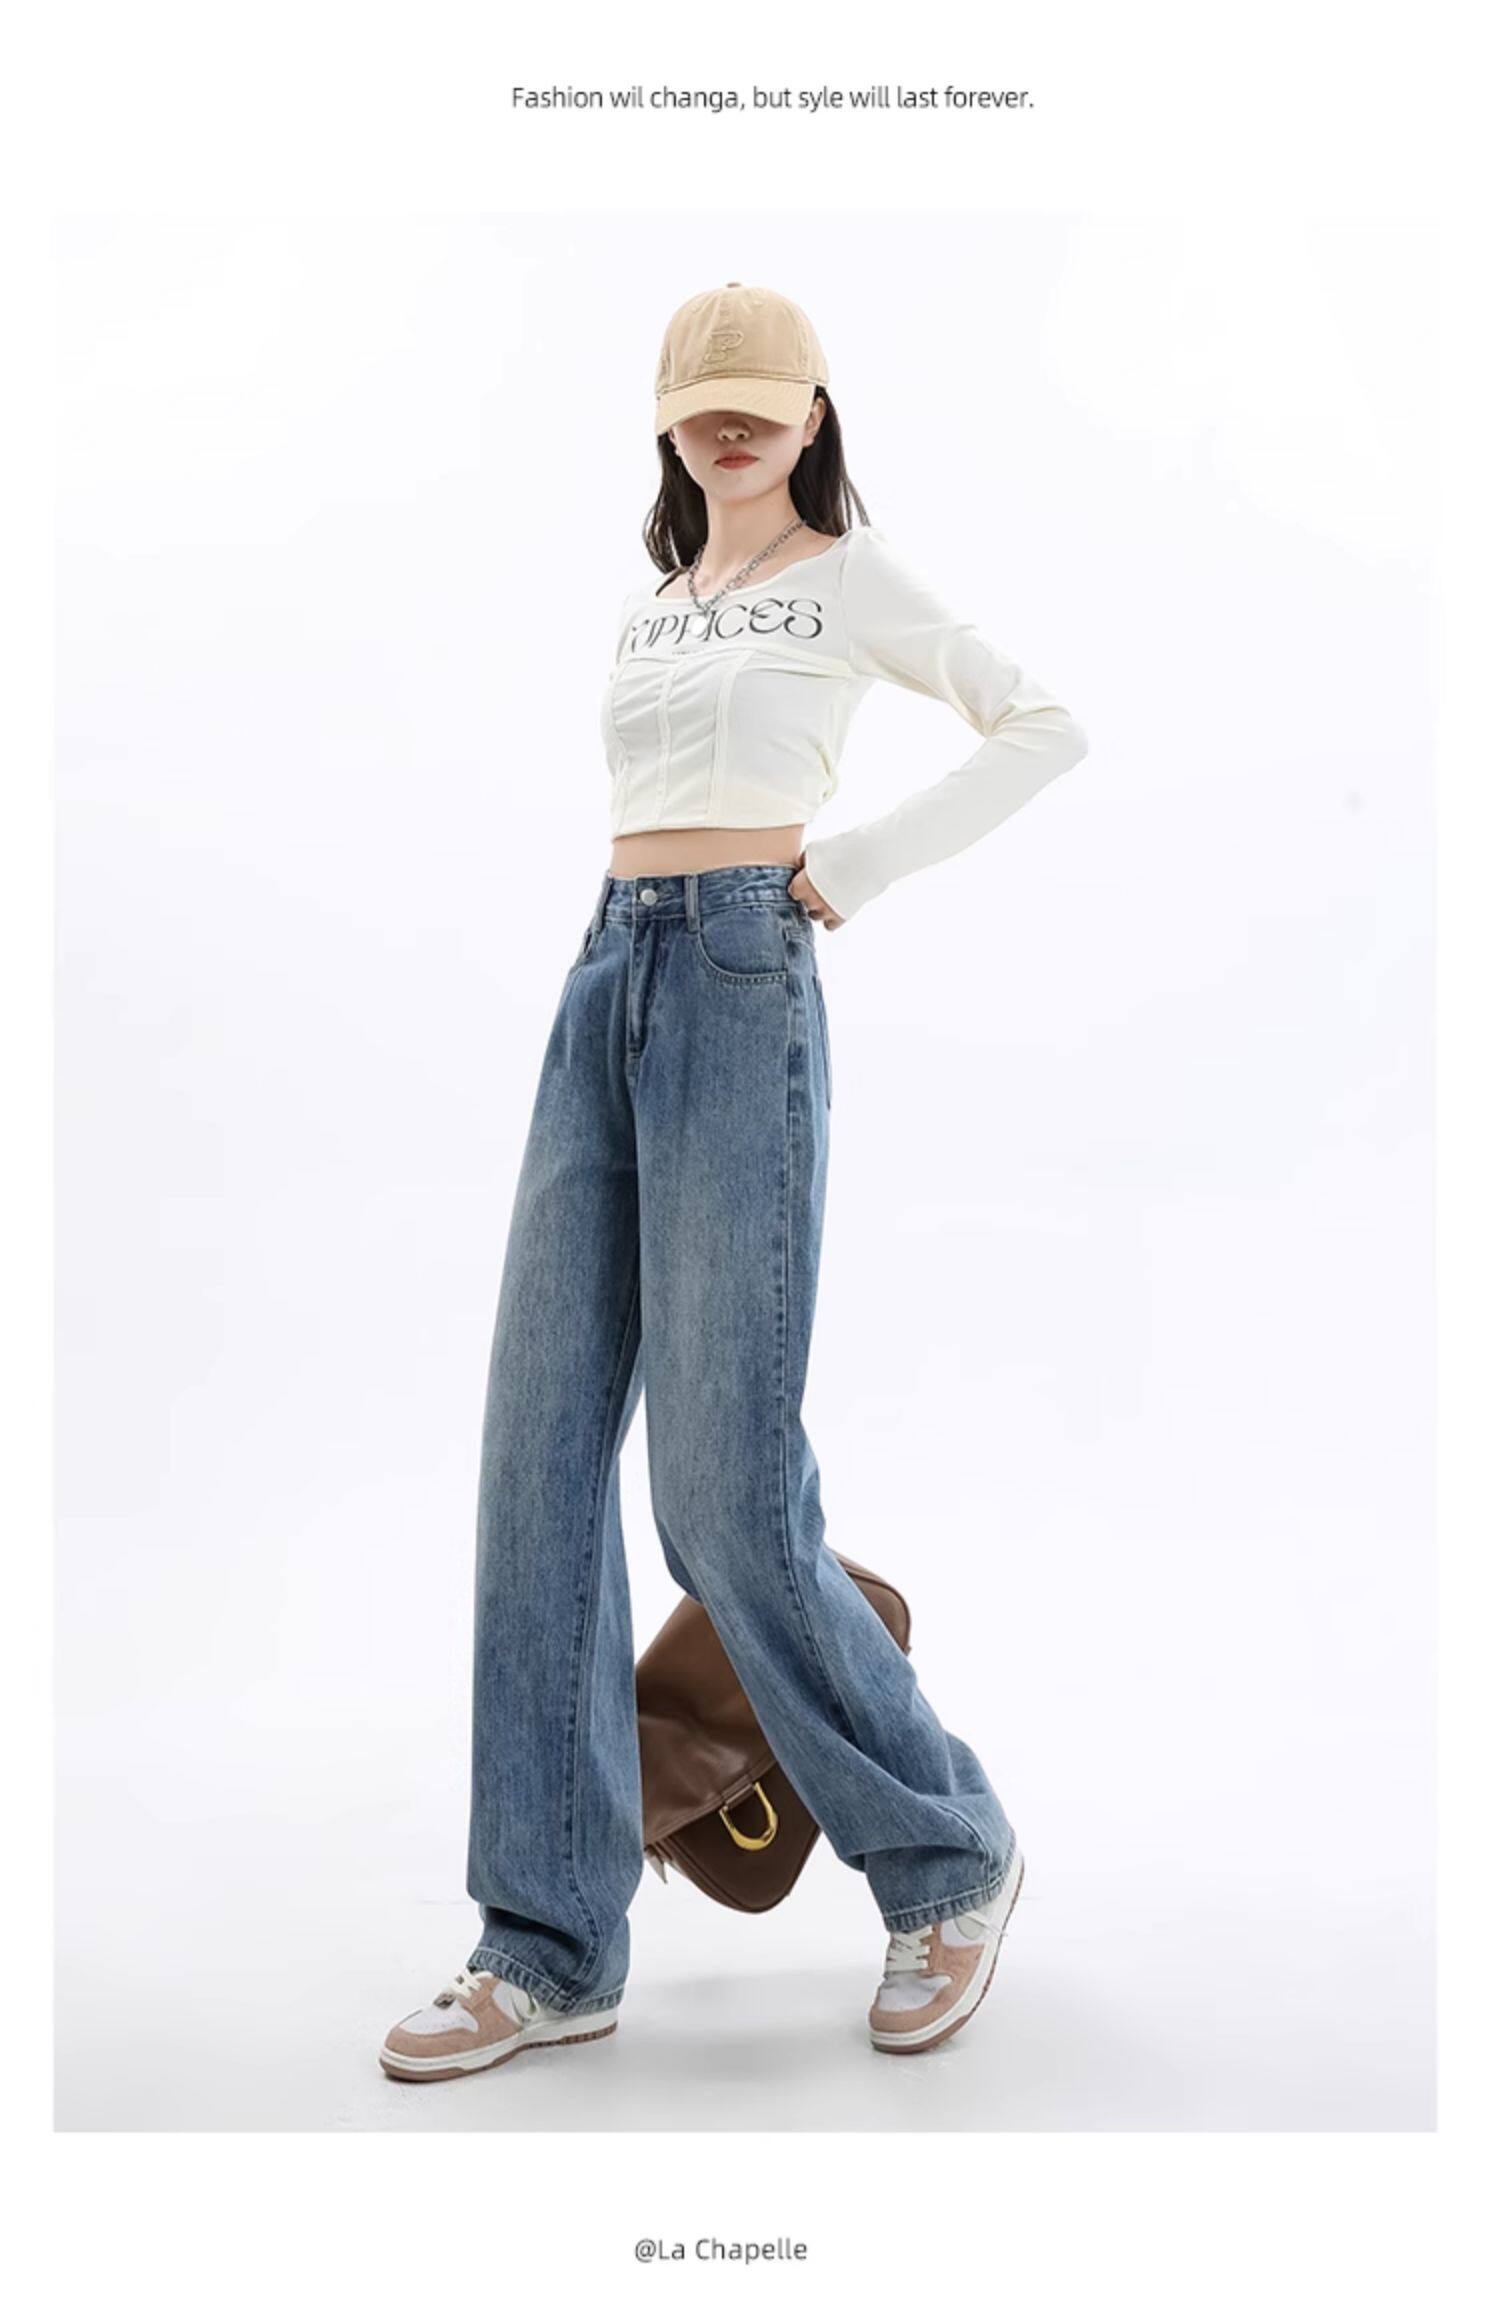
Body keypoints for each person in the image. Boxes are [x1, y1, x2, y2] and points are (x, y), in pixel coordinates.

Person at [379, 281, 1089, 2082]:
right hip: (605, 970)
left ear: (816, 411)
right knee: (536, 1462)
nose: (732, 426)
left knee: (719, 1490)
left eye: (763, 401)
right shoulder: (655, 604)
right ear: (664, 420)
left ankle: (948, 1850)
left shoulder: (852, 574)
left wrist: (855, 863)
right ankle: (548, 1940)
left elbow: (1037, 722)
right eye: (703, 402)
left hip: (740, 974)